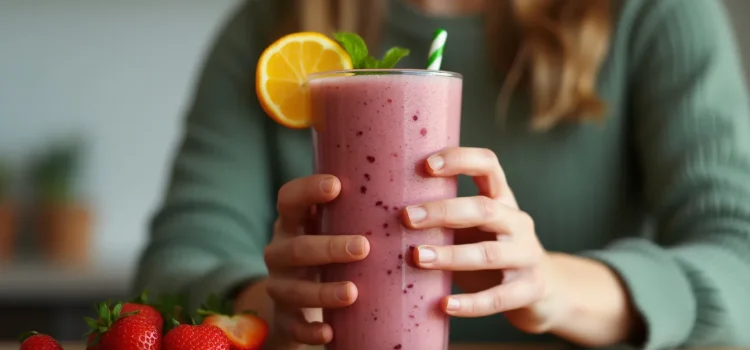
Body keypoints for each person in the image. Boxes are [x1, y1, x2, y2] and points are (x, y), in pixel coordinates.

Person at [133, 0, 750, 349]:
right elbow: (176, 266)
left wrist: (554, 287)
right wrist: (275, 303)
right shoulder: (280, 32)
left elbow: (739, 257)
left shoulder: (656, 14)